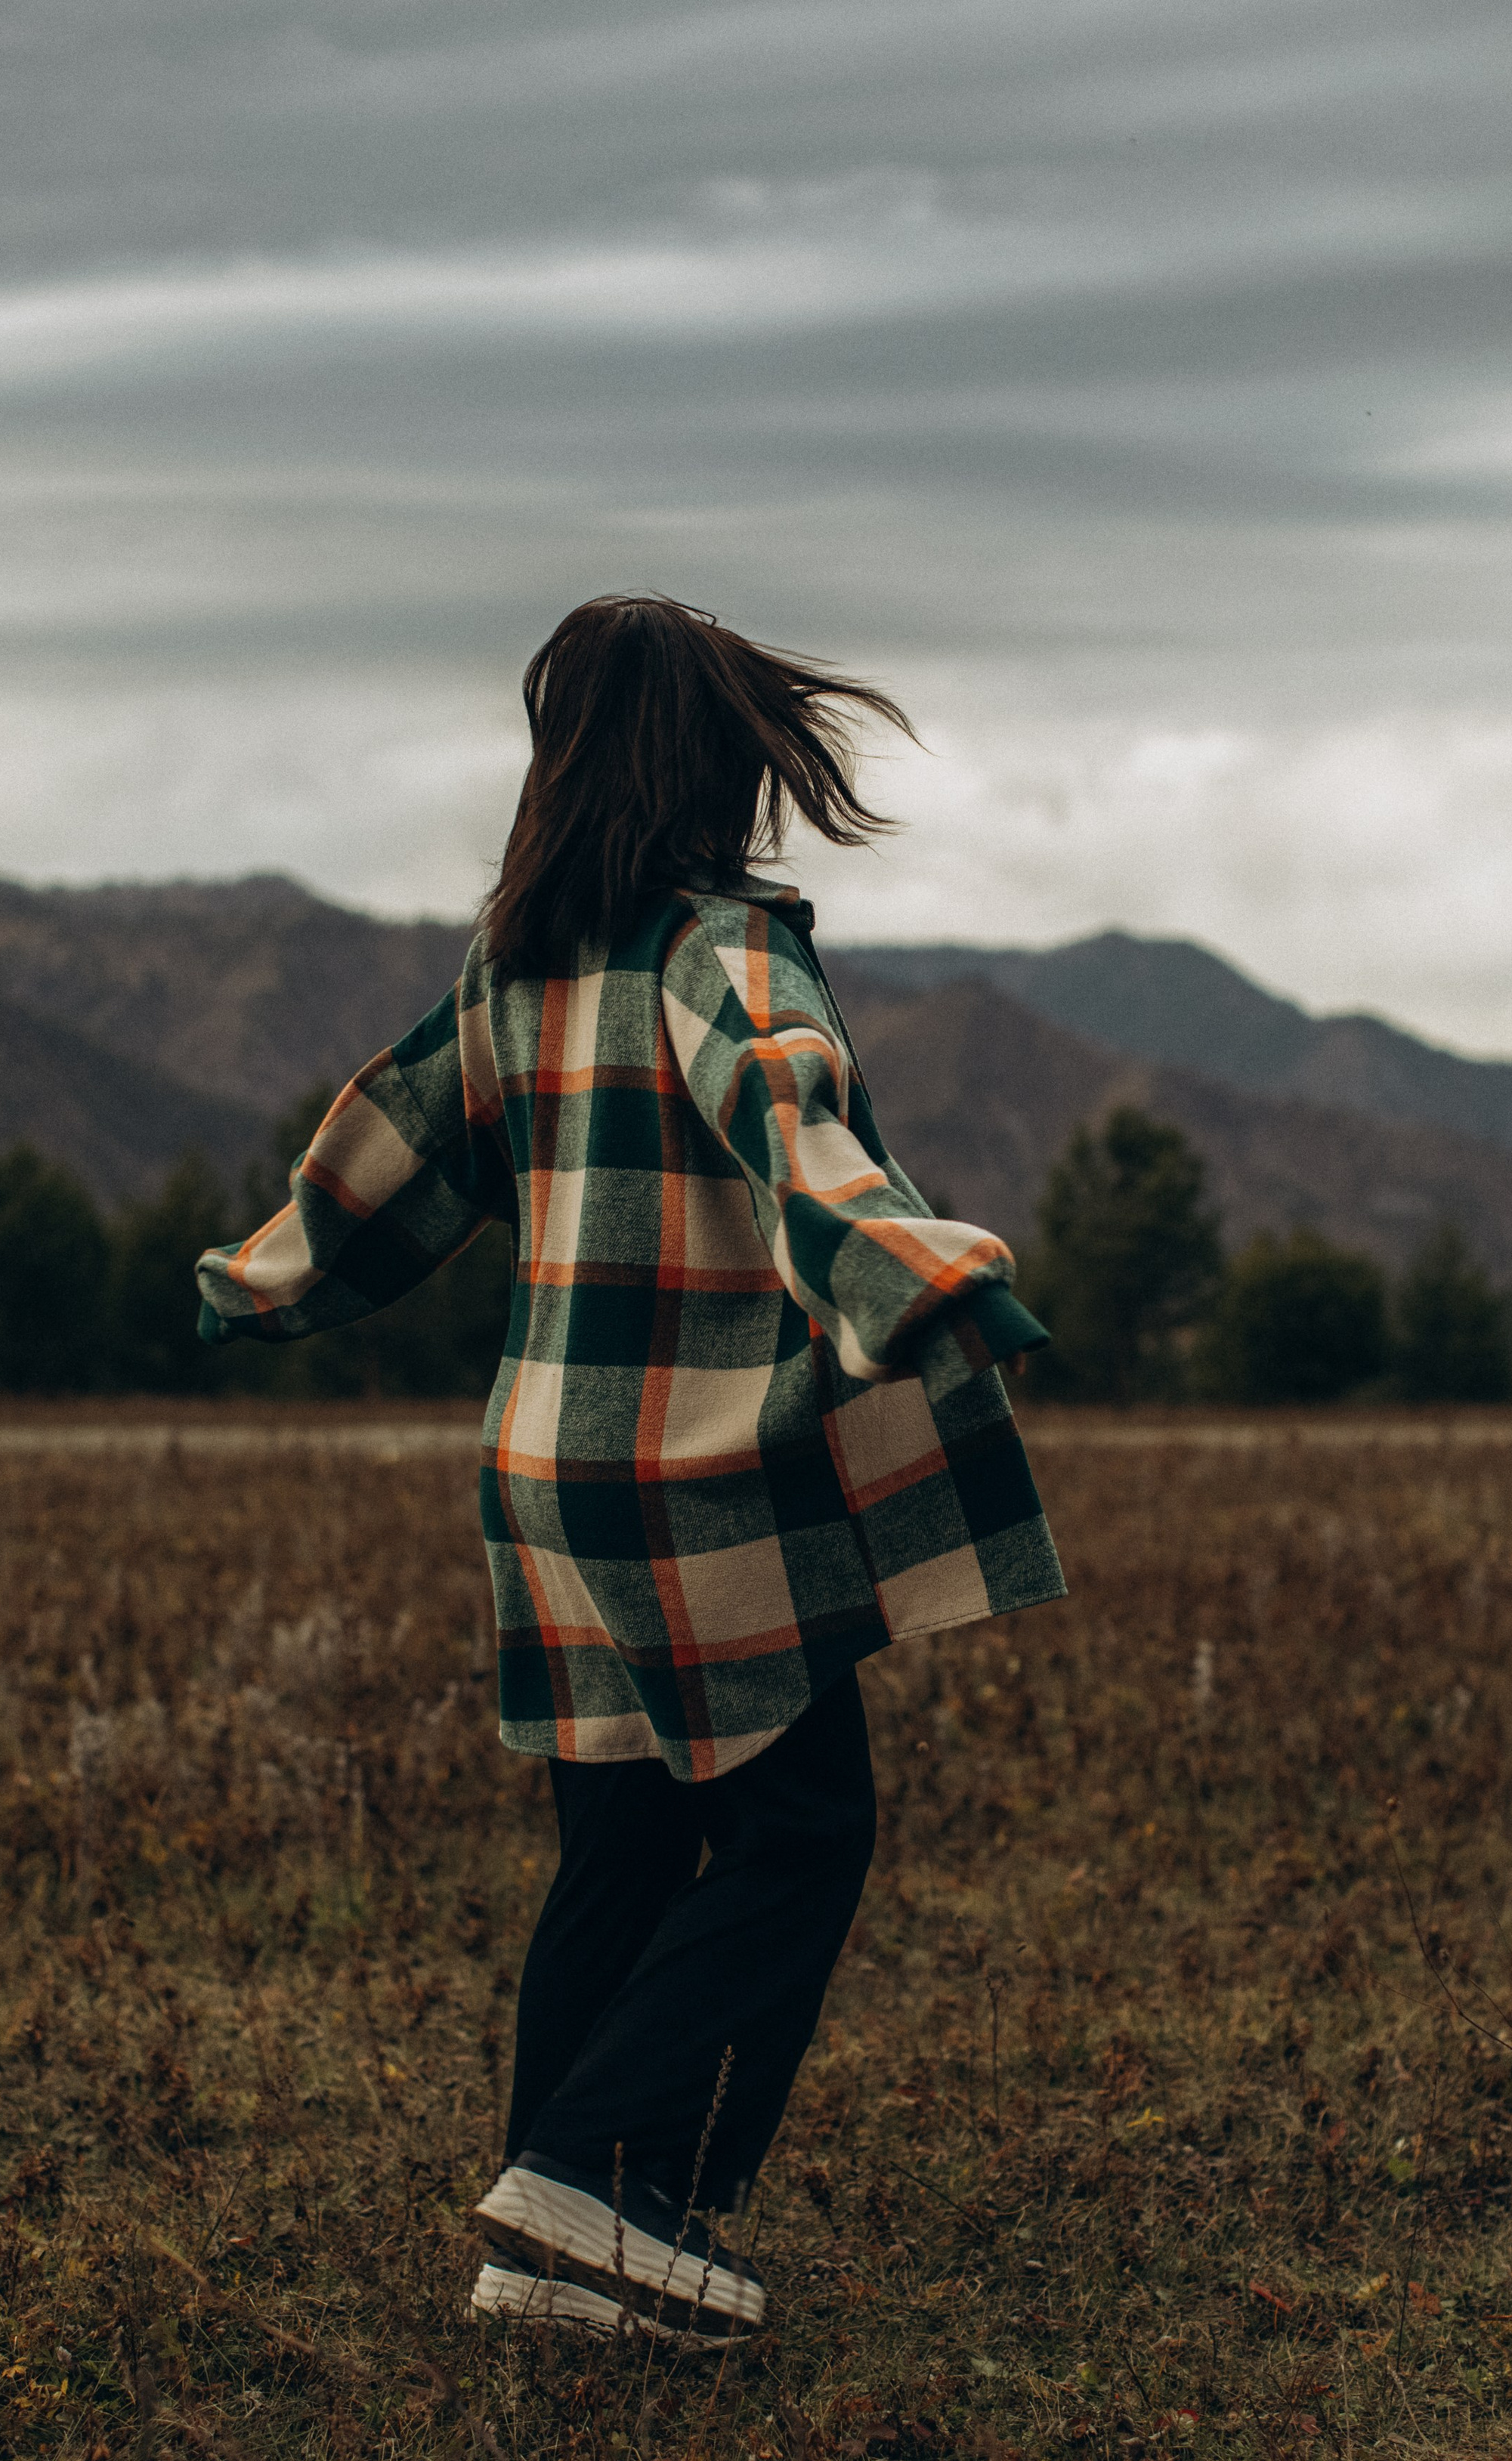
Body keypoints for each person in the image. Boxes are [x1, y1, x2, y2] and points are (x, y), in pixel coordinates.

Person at [195, 593, 1065, 2347]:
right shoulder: (716, 950)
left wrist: (266, 1273)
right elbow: (790, 1115)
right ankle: (607, 2179)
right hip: (693, 1472)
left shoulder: (510, 972)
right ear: (723, 759)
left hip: (542, 1473)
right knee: (804, 1829)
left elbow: (392, 1153)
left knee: (622, 1839)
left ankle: (544, 2246)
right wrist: (908, 1267)